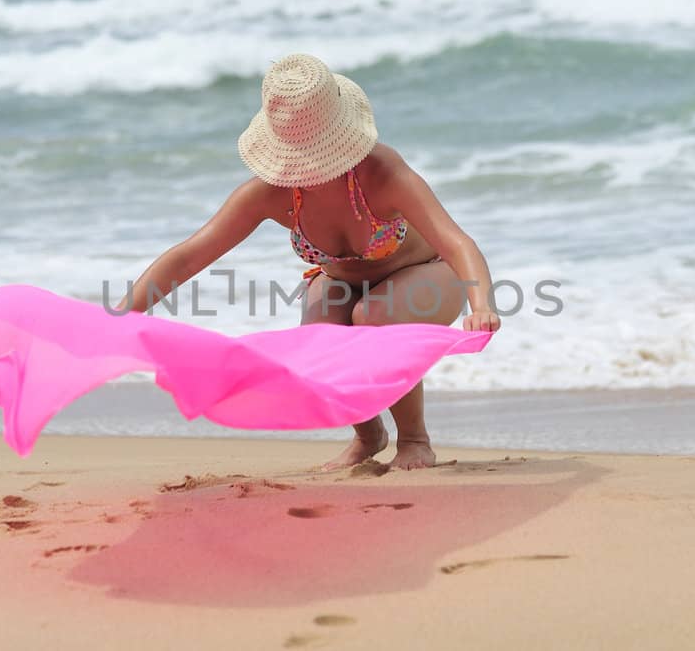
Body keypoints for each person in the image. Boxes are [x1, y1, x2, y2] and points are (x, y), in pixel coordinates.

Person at [119, 53, 500, 470]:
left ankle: (414, 439)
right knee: (319, 341)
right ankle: (368, 435)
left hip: (428, 275)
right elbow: (191, 254)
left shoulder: (381, 174)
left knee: (374, 314)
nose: (311, 169)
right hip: (341, 280)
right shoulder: (270, 194)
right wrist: (125, 313)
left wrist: (482, 306)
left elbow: (457, 242)